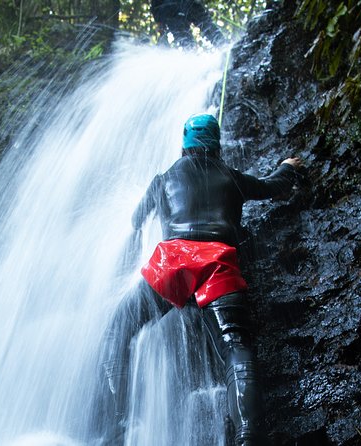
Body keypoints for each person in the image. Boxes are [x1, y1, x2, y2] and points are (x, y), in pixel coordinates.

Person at [101, 113, 302, 446]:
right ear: (216, 145)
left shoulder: (162, 179)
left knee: (120, 327)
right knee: (236, 346)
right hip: (217, 264)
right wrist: (288, 166)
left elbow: (136, 219)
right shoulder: (233, 177)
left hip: (172, 267)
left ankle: (123, 425)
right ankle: (248, 436)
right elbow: (274, 187)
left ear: (184, 146)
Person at [151, 0, 225, 47]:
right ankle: (223, 45)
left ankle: (224, 45)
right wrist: (159, 21)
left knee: (206, 24)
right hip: (171, 10)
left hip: (186, 5)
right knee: (186, 40)